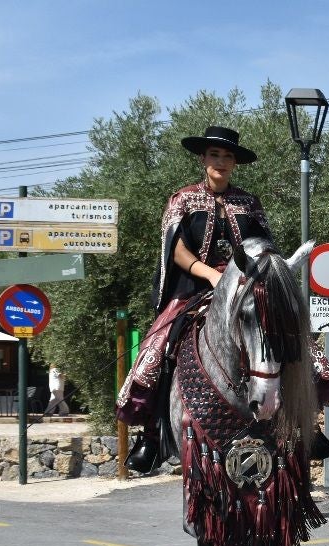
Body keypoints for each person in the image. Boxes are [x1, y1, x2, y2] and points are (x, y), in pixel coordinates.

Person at [116, 125, 271, 472]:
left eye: (228, 156)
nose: (221, 161)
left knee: (289, 334)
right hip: (195, 287)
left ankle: (304, 426)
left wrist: (249, 277)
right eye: (215, 154)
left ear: (235, 163)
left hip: (245, 285)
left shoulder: (249, 203)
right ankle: (151, 435)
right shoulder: (182, 199)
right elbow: (177, 251)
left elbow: (265, 245)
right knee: (157, 347)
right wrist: (212, 273)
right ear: (203, 158)